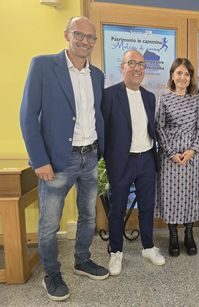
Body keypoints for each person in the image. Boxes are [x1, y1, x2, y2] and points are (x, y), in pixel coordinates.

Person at [20, 16, 109, 301]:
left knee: (88, 216)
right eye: (79, 34)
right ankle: (52, 274)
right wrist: (39, 159)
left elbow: (97, 114)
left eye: (90, 37)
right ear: (67, 35)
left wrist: (100, 150)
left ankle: (82, 260)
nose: (85, 41)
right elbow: (28, 116)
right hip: (58, 160)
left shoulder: (96, 75)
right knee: (49, 223)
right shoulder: (44, 66)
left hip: (90, 155)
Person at [101, 50, 165, 276]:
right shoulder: (108, 96)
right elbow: (104, 131)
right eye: (132, 63)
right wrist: (106, 159)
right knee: (117, 209)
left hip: (146, 158)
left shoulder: (149, 97)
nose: (137, 68)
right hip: (121, 161)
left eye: (141, 64)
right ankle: (116, 252)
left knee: (147, 207)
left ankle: (148, 247)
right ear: (122, 67)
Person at [155, 58, 199, 257]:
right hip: (170, 157)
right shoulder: (164, 98)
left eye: (186, 74)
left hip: (191, 156)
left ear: (191, 77)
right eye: (179, 73)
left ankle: (189, 234)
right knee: (171, 195)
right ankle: (173, 235)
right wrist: (170, 152)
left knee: (190, 194)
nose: (183, 77)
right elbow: (159, 127)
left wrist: (193, 150)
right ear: (172, 76)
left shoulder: (196, 99)